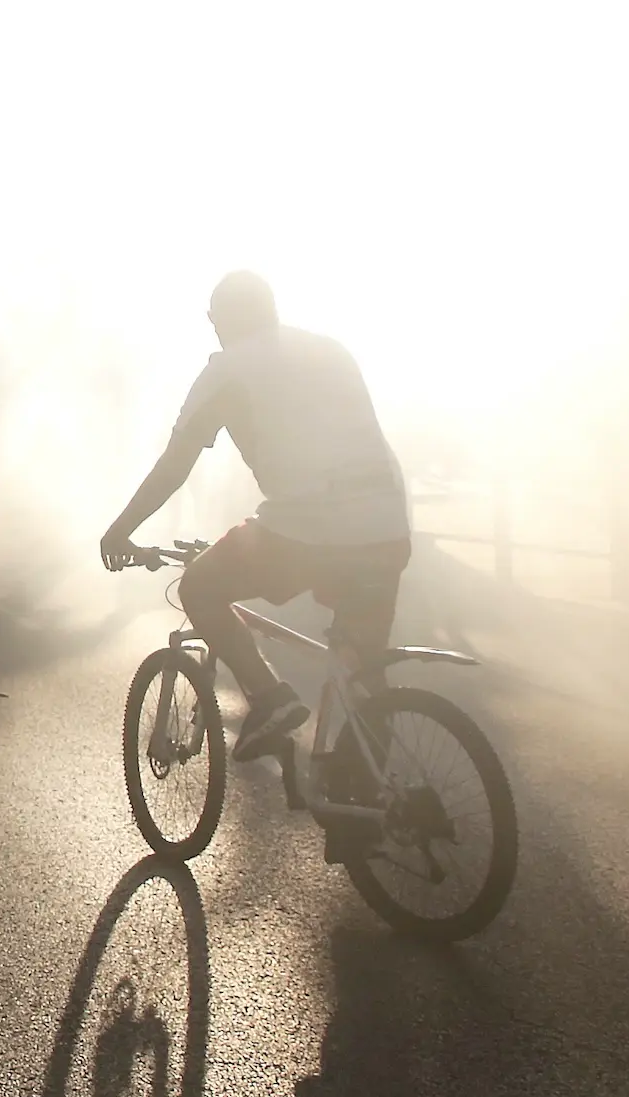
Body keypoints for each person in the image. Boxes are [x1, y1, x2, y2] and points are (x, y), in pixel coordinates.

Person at [100, 271, 412, 763]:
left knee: (199, 588)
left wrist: (122, 529)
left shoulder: (228, 370)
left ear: (220, 319)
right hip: (388, 527)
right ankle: (371, 810)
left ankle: (269, 698)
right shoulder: (330, 350)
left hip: (309, 531)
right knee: (366, 677)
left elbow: (175, 464)